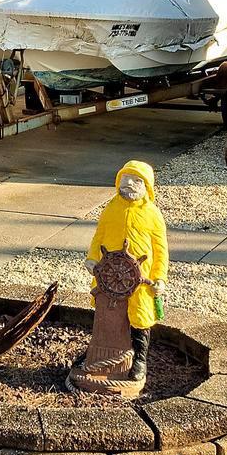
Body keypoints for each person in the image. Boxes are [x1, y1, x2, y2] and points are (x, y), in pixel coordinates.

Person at [86, 159, 168, 376]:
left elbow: (161, 249)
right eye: (126, 178)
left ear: (147, 186)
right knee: (106, 311)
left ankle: (140, 359)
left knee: (140, 315)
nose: (130, 183)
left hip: (140, 278)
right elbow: (99, 236)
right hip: (108, 275)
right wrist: (92, 258)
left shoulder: (153, 214)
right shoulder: (111, 208)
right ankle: (100, 352)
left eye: (136, 180)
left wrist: (160, 278)